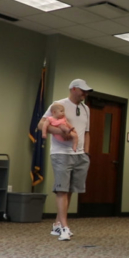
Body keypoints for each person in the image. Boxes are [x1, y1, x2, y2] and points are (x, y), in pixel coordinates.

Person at [38, 79, 93, 242]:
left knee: (69, 190)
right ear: (73, 89)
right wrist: (60, 132)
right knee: (62, 189)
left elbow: (87, 132)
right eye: (83, 90)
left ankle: (57, 223)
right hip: (61, 153)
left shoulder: (86, 109)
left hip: (80, 154)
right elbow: (41, 125)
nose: (85, 93)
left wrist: (87, 153)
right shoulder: (58, 104)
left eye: (87, 91)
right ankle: (64, 227)